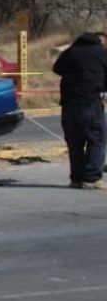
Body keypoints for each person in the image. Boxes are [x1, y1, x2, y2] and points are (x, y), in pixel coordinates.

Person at [53, 32, 107, 190]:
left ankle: (76, 178)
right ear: (100, 41)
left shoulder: (69, 52)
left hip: (68, 104)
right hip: (90, 102)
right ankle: (91, 178)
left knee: (74, 143)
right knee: (96, 140)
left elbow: (57, 69)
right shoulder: (101, 53)